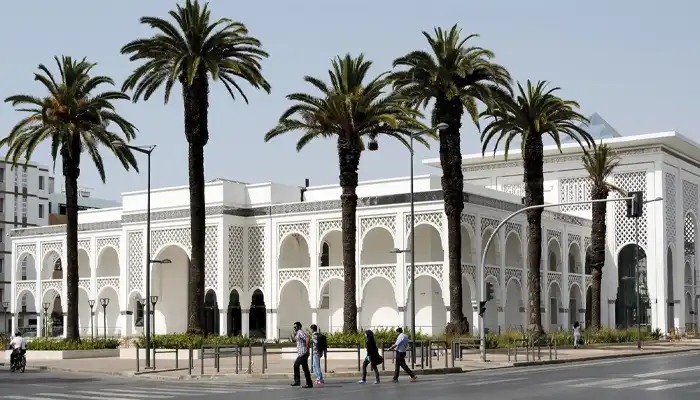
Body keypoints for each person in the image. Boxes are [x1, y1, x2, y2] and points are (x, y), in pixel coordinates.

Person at [291, 321, 313, 388]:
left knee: (296, 365)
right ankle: (309, 384)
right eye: (294, 327)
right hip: (301, 353)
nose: (294, 328)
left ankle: (297, 382)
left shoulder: (300, 332)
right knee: (305, 369)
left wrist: (307, 350)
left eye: (295, 327)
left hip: (303, 353)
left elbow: (307, 339)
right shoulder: (298, 333)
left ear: (299, 326)